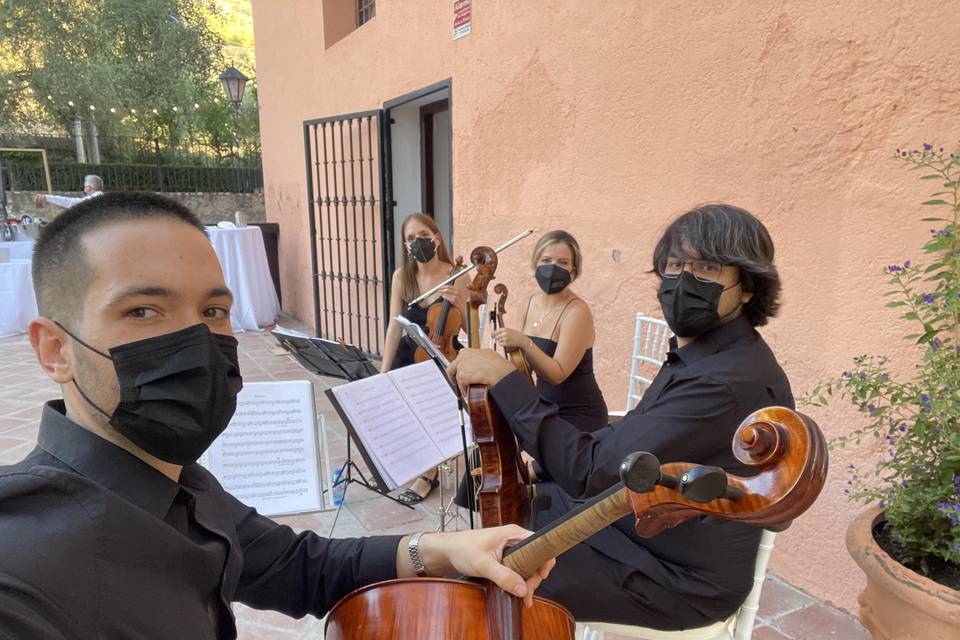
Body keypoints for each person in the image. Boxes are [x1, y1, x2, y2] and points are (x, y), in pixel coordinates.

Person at [0, 192, 553, 639]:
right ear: (55, 350)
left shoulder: (181, 482)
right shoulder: (20, 574)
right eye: (143, 311)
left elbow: (298, 567)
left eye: (213, 311)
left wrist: (442, 548)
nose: (196, 339)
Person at [449, 204, 792, 629]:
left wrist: (505, 380)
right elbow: (627, 444)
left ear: (747, 288)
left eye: (706, 268)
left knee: (483, 579)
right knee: (492, 515)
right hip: (638, 526)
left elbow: (591, 472)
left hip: (675, 577)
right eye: (675, 264)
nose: (683, 280)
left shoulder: (726, 381)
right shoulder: (707, 355)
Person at [380, 212, 470, 504]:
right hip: (411, 354)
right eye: (410, 238)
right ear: (405, 246)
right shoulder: (402, 277)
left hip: (445, 355)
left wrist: (461, 305)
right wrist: (383, 370)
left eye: (422, 235)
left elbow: (471, 330)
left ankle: (429, 473)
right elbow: (395, 325)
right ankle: (420, 463)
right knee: (408, 415)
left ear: (436, 238)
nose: (417, 242)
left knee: (435, 413)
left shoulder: (456, 274)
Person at [491, 230, 607, 434]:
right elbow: (524, 366)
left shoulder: (577, 312)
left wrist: (524, 342)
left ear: (573, 271)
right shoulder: (526, 305)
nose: (552, 267)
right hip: (545, 409)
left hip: (579, 416)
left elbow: (557, 374)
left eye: (562, 262)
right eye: (546, 260)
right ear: (536, 265)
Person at [34, 174, 104, 209]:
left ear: (89, 188)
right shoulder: (99, 197)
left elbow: (72, 202)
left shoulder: (96, 198)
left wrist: (47, 197)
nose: (84, 188)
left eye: (85, 186)